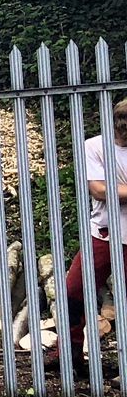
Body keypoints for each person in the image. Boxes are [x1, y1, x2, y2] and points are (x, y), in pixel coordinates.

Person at [62, 98, 127, 377]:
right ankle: (72, 359)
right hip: (102, 234)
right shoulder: (94, 146)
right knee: (73, 293)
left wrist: (118, 189)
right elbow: (99, 191)